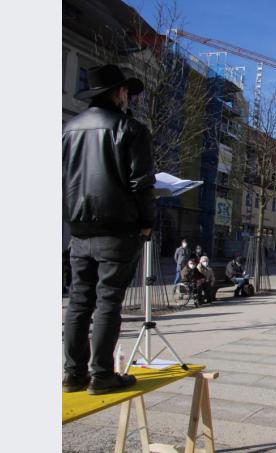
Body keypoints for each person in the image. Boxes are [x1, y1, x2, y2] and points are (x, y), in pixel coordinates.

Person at [63, 64, 153, 394]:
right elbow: (141, 183)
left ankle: (73, 374)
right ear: (118, 93)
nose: (128, 97)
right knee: (107, 301)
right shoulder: (131, 129)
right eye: (126, 91)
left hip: (79, 229)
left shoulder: (69, 128)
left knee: (78, 301)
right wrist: (146, 222)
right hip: (117, 229)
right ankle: (101, 374)